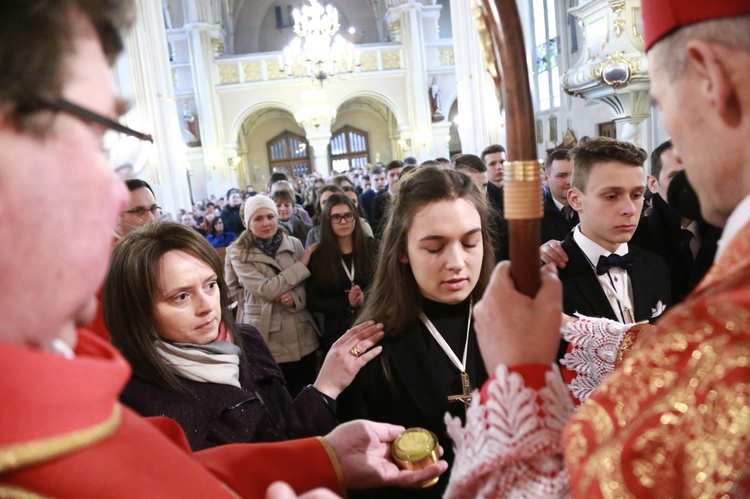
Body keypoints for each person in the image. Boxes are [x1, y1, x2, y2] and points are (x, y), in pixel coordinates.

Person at [0, 1, 446, 496]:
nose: (113, 196)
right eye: (97, 139)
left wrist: (325, 458)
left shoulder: (72, 366)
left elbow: (172, 479)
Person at [445, 2, 750, 497]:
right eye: (612, 195)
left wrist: (521, 375)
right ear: (575, 199)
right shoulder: (549, 271)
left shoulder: (713, 320)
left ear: (711, 78)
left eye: (660, 99)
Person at [104, 222, 383, 451]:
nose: (207, 306)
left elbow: (288, 434)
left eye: (210, 285)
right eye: (181, 296)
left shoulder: (247, 339)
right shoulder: (139, 398)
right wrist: (324, 390)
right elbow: (248, 469)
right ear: (137, 309)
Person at [338, 166, 495, 498]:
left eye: (470, 242)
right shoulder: (370, 346)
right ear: (403, 252)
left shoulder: (511, 321)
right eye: (435, 248)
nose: (457, 262)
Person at [225, 195, 320, 396]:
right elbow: (263, 290)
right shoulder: (238, 252)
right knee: (275, 397)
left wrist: (296, 298)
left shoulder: (293, 243)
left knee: (306, 391)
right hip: (264, 330)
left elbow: (306, 285)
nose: (266, 223)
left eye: (270, 216)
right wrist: (255, 304)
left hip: (299, 327)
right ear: (246, 223)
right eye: (258, 219)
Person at [631, 140, 722, 304]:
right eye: (675, 176)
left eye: (693, 174)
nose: (686, 184)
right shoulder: (635, 237)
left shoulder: (725, 230)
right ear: (653, 183)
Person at [307, 193, 377, 354]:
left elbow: (385, 286)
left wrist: (364, 297)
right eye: (336, 217)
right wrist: (347, 302)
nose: (343, 221)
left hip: (371, 323)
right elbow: (312, 300)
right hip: (337, 330)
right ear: (327, 220)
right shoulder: (319, 256)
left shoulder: (372, 247)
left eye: (348, 215)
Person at [541, 148, 579, 244]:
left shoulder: (590, 208)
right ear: (546, 178)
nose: (570, 181)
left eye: (574, 174)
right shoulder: (535, 214)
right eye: (561, 176)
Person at [372, 160, 404, 239]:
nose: (396, 178)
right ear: (386, 177)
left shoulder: (410, 196)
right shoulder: (378, 200)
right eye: (392, 175)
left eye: (399, 175)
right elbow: (377, 227)